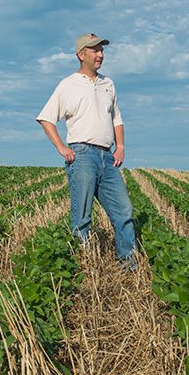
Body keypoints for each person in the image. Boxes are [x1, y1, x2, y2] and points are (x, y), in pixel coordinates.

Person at [36, 33, 136, 271]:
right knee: (81, 217)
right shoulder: (68, 84)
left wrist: (120, 146)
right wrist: (62, 147)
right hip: (82, 155)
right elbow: (46, 118)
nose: (100, 54)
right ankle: (81, 269)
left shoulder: (108, 84)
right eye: (95, 50)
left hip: (107, 156)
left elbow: (116, 117)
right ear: (81, 55)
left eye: (101, 50)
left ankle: (128, 264)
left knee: (124, 210)